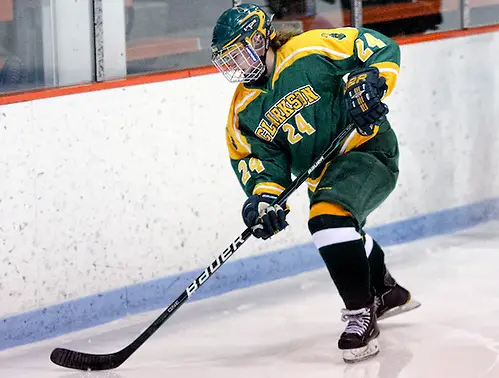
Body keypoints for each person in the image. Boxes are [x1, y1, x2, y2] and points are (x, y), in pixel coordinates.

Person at [210, 3, 420, 363]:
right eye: (228, 60)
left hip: (368, 149)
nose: (237, 66)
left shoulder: (308, 50)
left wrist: (368, 82)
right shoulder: (243, 112)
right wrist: (264, 202)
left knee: (327, 220)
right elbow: (261, 167)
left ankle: (360, 314)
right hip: (327, 175)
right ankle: (385, 291)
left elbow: (379, 47)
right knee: (339, 228)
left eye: (241, 53)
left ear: (262, 39)